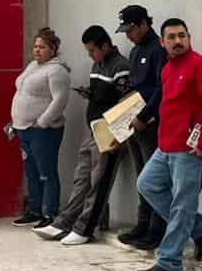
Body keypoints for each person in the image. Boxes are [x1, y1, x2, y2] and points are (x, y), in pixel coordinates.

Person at [131, 18, 202, 271]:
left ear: (189, 37)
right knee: (146, 184)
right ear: (162, 42)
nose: (177, 41)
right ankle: (197, 226)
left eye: (182, 35)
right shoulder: (168, 69)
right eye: (171, 37)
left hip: (190, 150)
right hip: (166, 145)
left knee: (182, 204)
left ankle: (169, 262)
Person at [36, 25, 131, 245]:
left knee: (99, 181)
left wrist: (118, 134)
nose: (90, 55)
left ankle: (85, 228)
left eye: (92, 51)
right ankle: (65, 221)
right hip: (92, 128)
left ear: (105, 46)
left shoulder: (120, 66)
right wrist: (90, 92)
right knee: (82, 178)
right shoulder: (97, 64)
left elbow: (124, 101)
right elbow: (102, 94)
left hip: (108, 130)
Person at [115, 5, 168, 252]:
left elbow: (160, 88)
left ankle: (156, 230)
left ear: (144, 24)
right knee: (141, 177)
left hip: (149, 122)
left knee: (152, 178)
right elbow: (138, 85)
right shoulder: (136, 51)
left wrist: (145, 116)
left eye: (131, 30)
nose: (128, 35)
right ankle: (142, 224)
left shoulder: (158, 49)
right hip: (132, 119)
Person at [10, 28, 71, 228]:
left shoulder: (57, 71)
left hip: (44, 130)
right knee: (31, 172)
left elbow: (60, 100)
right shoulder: (32, 66)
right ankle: (34, 210)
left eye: (42, 47)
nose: (37, 50)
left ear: (53, 49)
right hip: (23, 129)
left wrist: (43, 121)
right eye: (35, 46)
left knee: (47, 172)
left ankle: (51, 213)